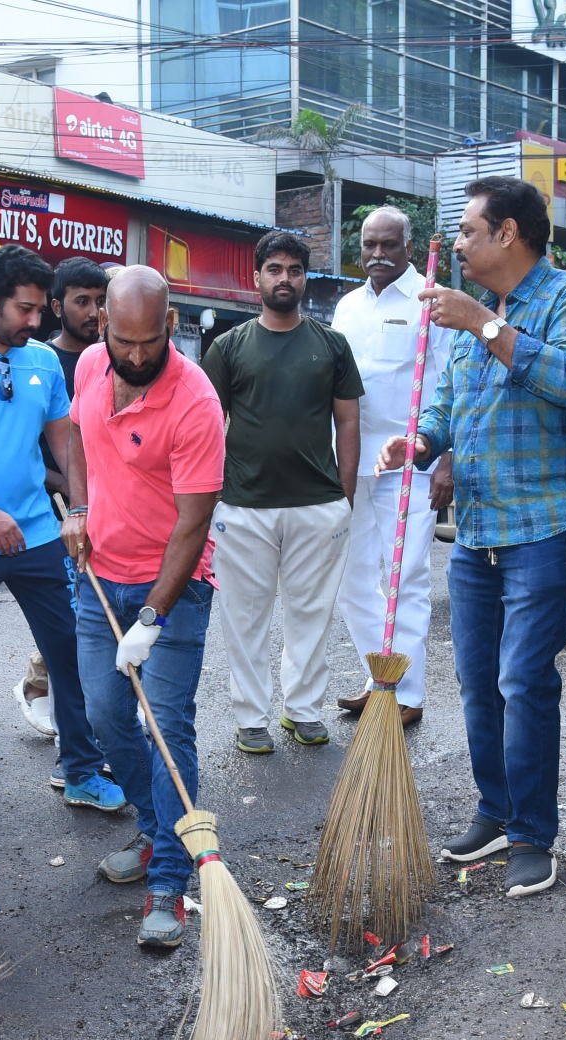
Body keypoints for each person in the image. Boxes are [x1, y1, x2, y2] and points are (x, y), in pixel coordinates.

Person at [378, 176, 566, 898]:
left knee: (523, 679)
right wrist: (415, 443)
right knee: (479, 682)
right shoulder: (465, 319)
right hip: (475, 529)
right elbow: (448, 403)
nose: (461, 245)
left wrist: (483, 322)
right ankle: (496, 812)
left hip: (544, 524)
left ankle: (534, 834)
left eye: (471, 232)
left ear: (508, 233)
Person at [0, 246, 125, 814]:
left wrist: (79, 512)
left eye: (41, 310)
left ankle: (81, 769)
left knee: (73, 655)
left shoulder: (42, 363)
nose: (37, 322)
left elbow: (65, 443)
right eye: (26, 310)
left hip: (38, 536)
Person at [60, 266, 224, 949]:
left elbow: (193, 525)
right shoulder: (92, 366)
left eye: (147, 342)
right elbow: (75, 442)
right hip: (100, 577)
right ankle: (159, 831)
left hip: (174, 587)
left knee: (165, 727)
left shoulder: (195, 402)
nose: (133, 356)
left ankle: (169, 884)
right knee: (104, 715)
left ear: (171, 327)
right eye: (122, 340)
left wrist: (151, 621)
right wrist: (77, 507)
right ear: (103, 327)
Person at [203, 229, 363, 753]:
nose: (285, 279)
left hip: (318, 506)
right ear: (256, 278)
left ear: (305, 278)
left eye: (294, 270)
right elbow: (207, 427)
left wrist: (345, 497)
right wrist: (212, 499)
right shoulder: (228, 347)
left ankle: (302, 711)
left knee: (311, 614)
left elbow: (349, 424)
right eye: (275, 269)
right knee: (245, 618)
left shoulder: (331, 344)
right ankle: (251, 717)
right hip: (244, 506)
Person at [331, 206, 445, 728]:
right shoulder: (347, 307)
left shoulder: (432, 303)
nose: (377, 255)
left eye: (388, 245)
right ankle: (380, 677)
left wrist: (444, 459)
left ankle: (408, 693)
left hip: (411, 462)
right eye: (369, 245)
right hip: (351, 461)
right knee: (352, 579)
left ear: (409, 247)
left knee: (407, 578)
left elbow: (447, 387)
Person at [11, 257, 111, 740]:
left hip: (109, 503)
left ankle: (84, 721)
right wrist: (74, 490)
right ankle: (42, 688)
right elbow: (43, 442)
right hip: (57, 505)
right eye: (82, 302)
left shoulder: (117, 356)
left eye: (101, 301)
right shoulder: (44, 361)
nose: (95, 312)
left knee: (95, 608)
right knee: (77, 611)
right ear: (56, 306)